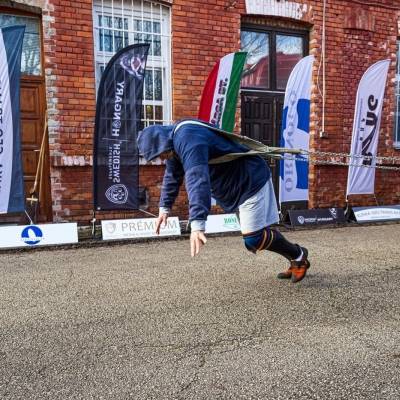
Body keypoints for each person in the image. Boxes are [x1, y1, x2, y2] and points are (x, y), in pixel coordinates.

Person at [137, 119, 310, 283]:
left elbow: (197, 181)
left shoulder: (188, 140)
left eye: (160, 155)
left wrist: (197, 224)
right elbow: (172, 176)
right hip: (235, 187)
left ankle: (299, 256)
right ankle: (295, 257)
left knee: (253, 238)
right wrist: (164, 208)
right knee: (256, 237)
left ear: (162, 142)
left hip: (249, 181)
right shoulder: (175, 143)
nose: (162, 159)